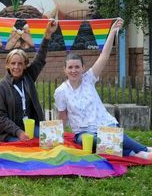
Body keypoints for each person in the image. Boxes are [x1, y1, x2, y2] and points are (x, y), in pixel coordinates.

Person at [54, 18, 152, 160]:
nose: (73, 70)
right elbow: (62, 116)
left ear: (83, 68)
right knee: (91, 141)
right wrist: (58, 136)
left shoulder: (89, 78)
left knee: (110, 134)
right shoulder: (61, 91)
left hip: (105, 124)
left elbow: (104, 56)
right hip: (84, 133)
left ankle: (141, 151)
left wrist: (112, 31)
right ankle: (138, 151)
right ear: (64, 70)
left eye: (77, 67)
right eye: (70, 67)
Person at [0, 19, 58, 142]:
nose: (16, 67)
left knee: (52, 140)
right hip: (11, 132)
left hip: (32, 127)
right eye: (13, 63)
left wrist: (47, 35)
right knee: (25, 148)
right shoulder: (0, 87)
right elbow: (0, 117)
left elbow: (40, 58)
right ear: (7, 65)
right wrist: (18, 132)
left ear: (24, 65)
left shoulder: (28, 76)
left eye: (20, 64)